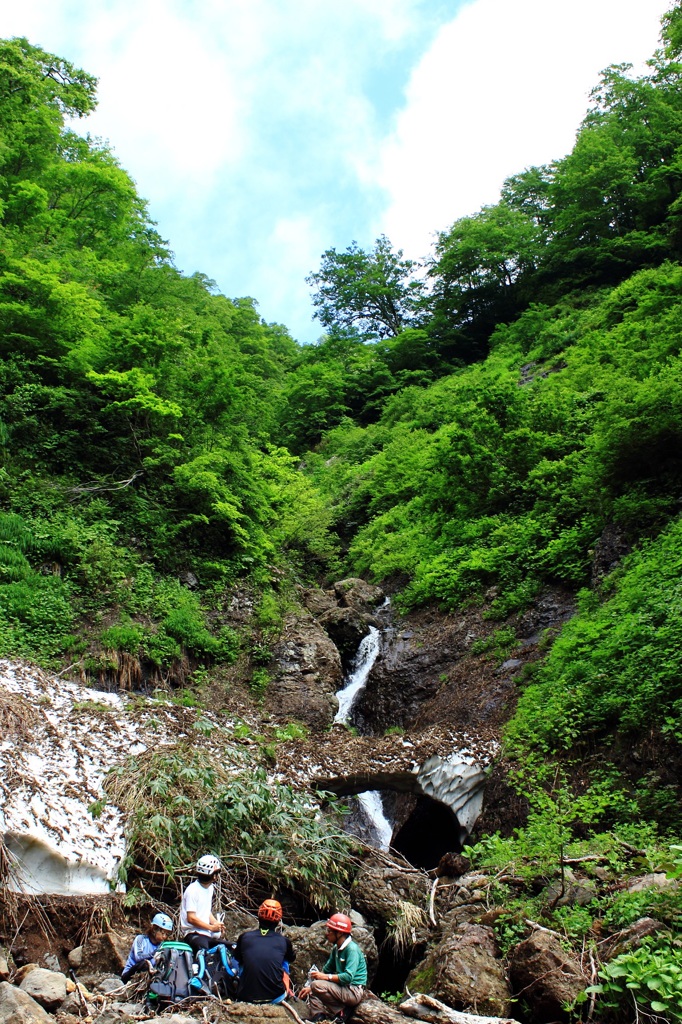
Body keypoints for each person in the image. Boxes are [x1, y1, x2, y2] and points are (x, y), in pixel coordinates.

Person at [299, 913, 367, 1022]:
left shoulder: (352, 950)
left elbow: (348, 977)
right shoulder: (336, 948)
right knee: (313, 987)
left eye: (330, 931)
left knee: (316, 985)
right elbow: (327, 969)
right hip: (342, 988)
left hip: (353, 990)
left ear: (339, 933)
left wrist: (325, 977)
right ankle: (318, 1016)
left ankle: (341, 1011)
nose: (327, 934)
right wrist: (309, 986)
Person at [234, 899, 295, 1004]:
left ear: (259, 916)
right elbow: (292, 958)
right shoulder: (284, 942)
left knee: (240, 958)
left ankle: (241, 984)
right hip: (275, 997)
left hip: (245, 996)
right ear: (278, 920)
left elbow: (238, 958)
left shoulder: (244, 937)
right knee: (285, 959)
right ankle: (287, 989)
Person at [180, 854, 226, 952]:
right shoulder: (192, 890)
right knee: (204, 952)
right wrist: (211, 927)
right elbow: (191, 918)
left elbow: (205, 911)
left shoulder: (210, 888)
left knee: (232, 947)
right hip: (193, 934)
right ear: (213, 875)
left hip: (207, 934)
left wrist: (216, 924)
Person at [121, 912, 173, 983]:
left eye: (166, 934)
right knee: (145, 964)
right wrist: (154, 953)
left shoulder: (162, 945)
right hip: (130, 974)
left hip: (150, 975)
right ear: (154, 929)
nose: (164, 937)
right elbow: (138, 957)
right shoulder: (140, 939)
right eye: (162, 933)